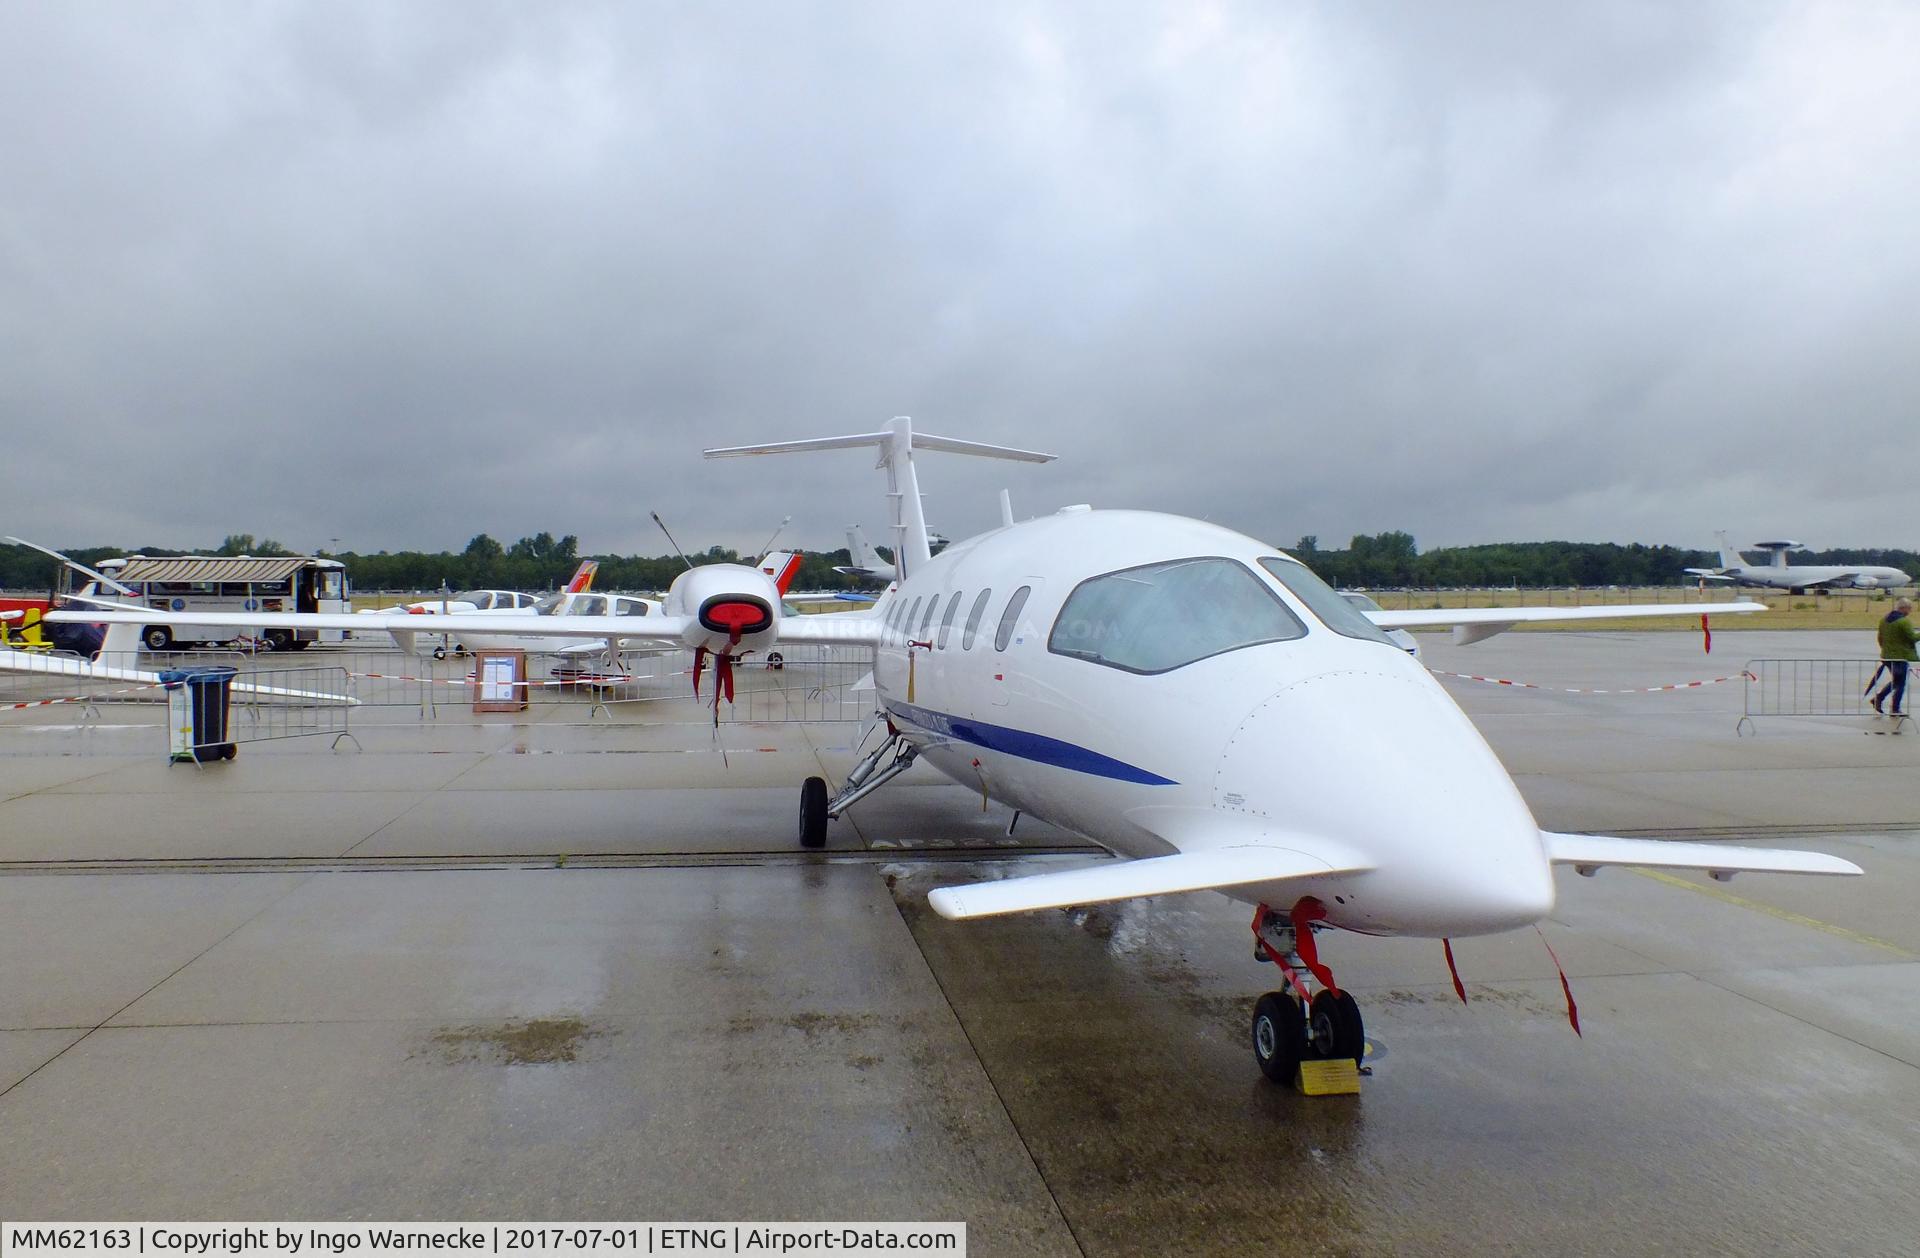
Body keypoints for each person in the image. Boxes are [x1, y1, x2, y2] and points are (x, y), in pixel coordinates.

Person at [1871, 597, 1920, 716]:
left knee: (1897, 681)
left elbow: (1880, 638)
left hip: (1887, 656)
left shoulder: (1884, 620)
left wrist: (1885, 649)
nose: (1910, 611)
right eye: (1909, 608)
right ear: (1904, 608)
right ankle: (1894, 708)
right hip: (1900, 657)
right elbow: (1912, 638)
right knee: (1900, 683)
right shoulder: (1904, 622)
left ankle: (1879, 699)